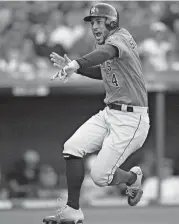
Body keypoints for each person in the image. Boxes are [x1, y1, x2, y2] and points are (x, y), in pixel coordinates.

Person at [43, 3, 150, 224]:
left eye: (99, 22)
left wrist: (75, 63)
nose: (94, 27)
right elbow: (104, 72)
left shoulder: (120, 38)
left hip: (132, 119)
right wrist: (77, 68)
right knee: (72, 147)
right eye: (93, 23)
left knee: (100, 177)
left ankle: (132, 177)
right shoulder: (104, 42)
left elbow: (106, 53)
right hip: (110, 112)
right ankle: (73, 210)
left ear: (112, 22)